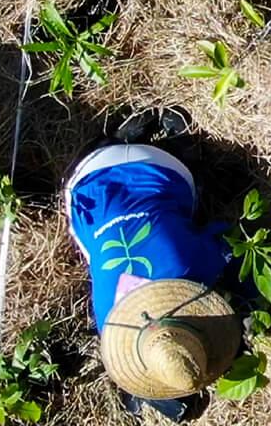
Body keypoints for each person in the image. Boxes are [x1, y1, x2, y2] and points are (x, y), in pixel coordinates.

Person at [65, 142, 242, 403]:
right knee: (95, 249)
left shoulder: (191, 270)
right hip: (84, 188)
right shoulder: (107, 321)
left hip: (158, 168)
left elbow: (230, 239)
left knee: (178, 217)